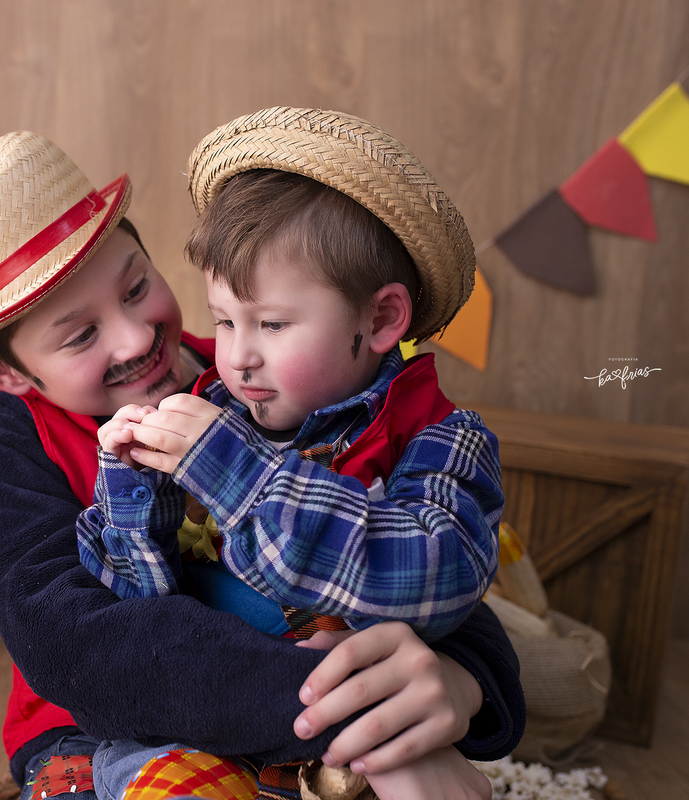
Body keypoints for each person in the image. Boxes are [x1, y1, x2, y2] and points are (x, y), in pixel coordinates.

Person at [0, 129, 523, 800]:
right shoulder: (13, 433)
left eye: (137, 287)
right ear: (6, 370)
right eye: (81, 335)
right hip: (100, 725)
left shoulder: (250, 380)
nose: (137, 338)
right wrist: (359, 715)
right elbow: (79, 647)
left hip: (315, 693)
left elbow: (422, 566)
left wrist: (462, 679)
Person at [77, 107, 502, 797]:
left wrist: (239, 477)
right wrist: (132, 493)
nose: (237, 356)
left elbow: (436, 581)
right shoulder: (213, 414)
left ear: (381, 318)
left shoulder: (441, 439)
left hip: (348, 736)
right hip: (198, 726)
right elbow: (139, 619)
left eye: (272, 324)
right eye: (222, 320)